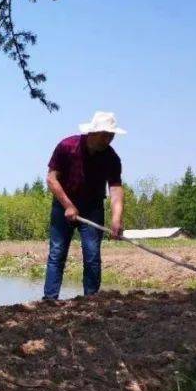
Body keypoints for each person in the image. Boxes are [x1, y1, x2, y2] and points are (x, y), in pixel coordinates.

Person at [43, 111, 126, 300]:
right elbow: (51, 179)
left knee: (92, 255)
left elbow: (115, 189)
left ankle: (91, 300)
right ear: (92, 133)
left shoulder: (112, 158)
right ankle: (49, 300)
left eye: (111, 135)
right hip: (63, 206)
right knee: (57, 252)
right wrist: (68, 205)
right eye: (105, 135)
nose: (108, 139)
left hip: (92, 208)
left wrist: (116, 218)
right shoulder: (66, 147)